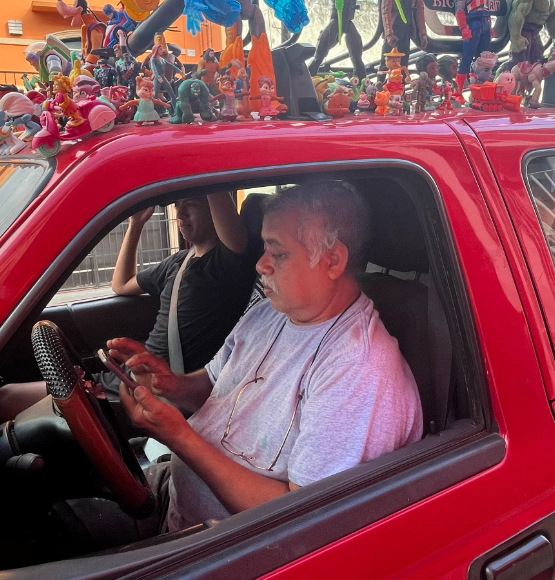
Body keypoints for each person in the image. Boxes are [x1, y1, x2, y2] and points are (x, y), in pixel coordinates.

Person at [105, 180, 422, 537]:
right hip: (175, 503)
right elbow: (214, 387)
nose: (259, 265)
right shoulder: (269, 313)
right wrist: (170, 384)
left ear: (332, 260)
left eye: (277, 253)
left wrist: (178, 436)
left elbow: (302, 522)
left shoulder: (358, 370)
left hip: (223, 554)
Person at [0, 193, 257, 421]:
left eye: (192, 205)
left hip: (160, 392)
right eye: (178, 206)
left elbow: (230, 226)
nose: (181, 214)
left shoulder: (229, 263)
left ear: (215, 209)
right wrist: (136, 224)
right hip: (130, 379)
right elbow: (122, 284)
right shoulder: (177, 262)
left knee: (6, 402)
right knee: (4, 397)